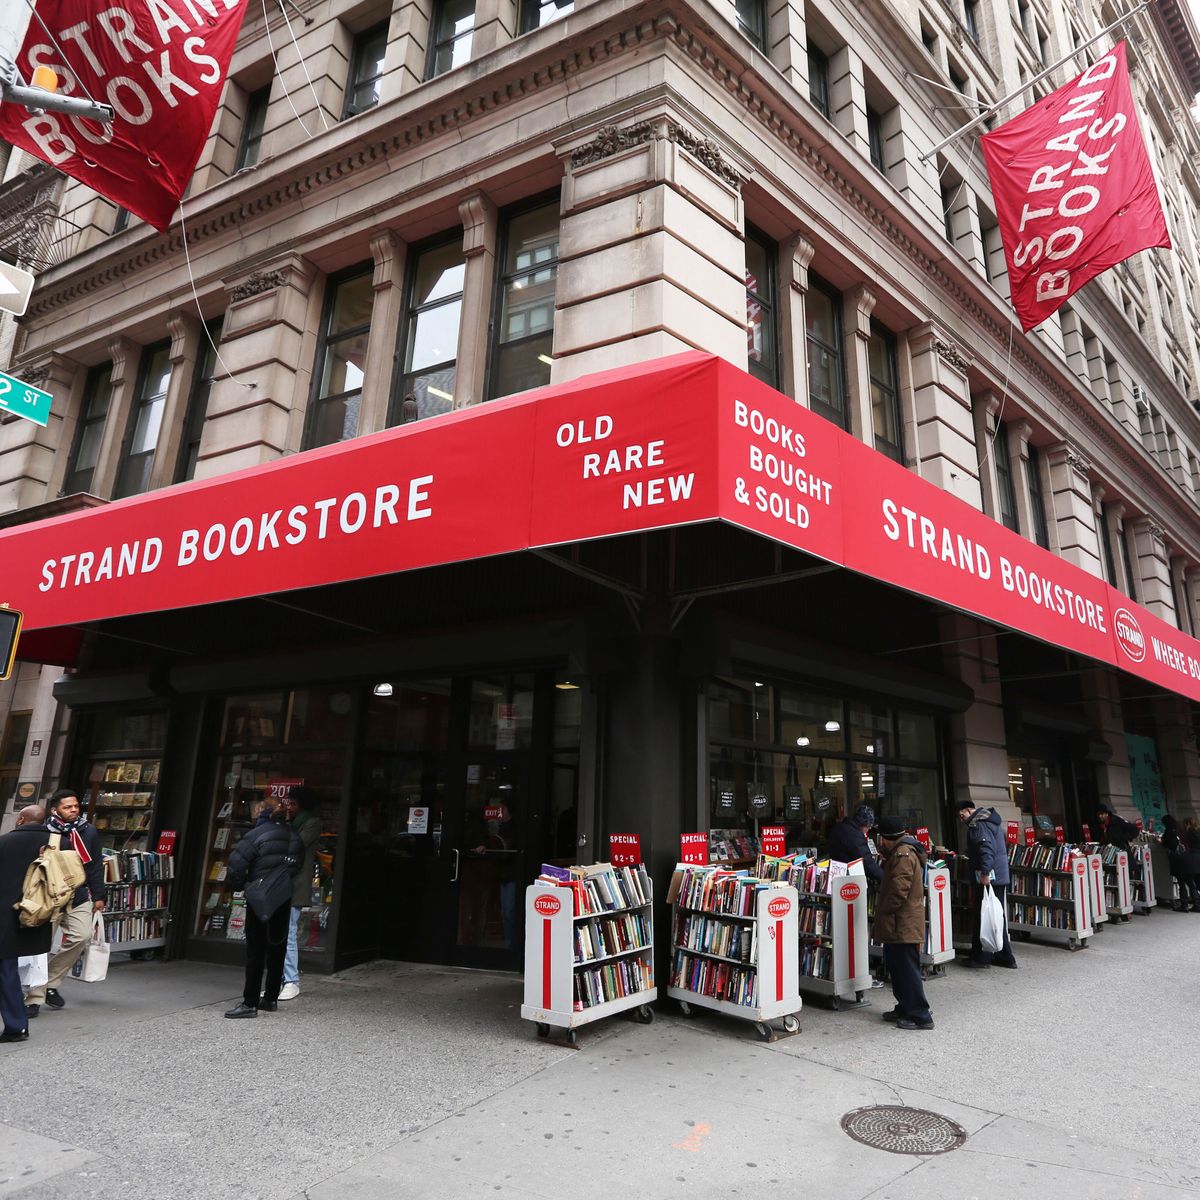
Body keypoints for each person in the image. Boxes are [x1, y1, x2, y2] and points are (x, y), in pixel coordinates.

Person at [24, 790, 105, 1017]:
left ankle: (49, 982)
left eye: (76, 806)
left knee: (81, 936)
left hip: (77, 894)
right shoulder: (43, 831)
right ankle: (35, 998)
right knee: (40, 947)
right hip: (47, 896)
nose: (74, 810)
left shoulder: (87, 831)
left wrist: (99, 895)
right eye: (68, 807)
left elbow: (95, 864)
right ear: (54, 810)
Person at [223, 805, 303, 1019]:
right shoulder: (294, 835)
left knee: (255, 949)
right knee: (278, 946)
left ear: (263, 816)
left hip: (259, 893)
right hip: (282, 894)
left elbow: (237, 863)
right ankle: (271, 997)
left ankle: (250, 1002)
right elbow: (298, 864)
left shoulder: (256, 834)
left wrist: (241, 885)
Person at [873, 816, 933, 1031]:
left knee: (907, 968)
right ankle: (905, 1006)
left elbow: (899, 890)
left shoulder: (903, 855)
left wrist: (885, 911)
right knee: (898, 967)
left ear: (887, 838)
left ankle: (920, 1014)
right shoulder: (900, 853)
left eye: (880, 838)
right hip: (899, 921)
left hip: (902, 921)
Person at [0, 806, 52, 1042]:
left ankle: (16, 1025)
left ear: (21, 819)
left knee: (6, 971)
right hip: (41, 912)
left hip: (5, 914)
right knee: (7, 971)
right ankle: (17, 1024)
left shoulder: (5, 842)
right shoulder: (59, 842)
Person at [956, 800, 1017, 969]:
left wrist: (984, 873)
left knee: (984, 916)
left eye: (962, 815)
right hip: (999, 875)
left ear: (969, 810)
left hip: (989, 877)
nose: (962, 820)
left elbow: (987, 849)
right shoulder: (991, 821)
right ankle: (1005, 957)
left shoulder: (978, 825)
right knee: (996, 916)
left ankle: (980, 958)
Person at [279, 787, 320, 1002]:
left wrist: (285, 824)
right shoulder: (290, 823)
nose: (289, 807)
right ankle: (281, 978)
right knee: (280, 931)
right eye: (288, 804)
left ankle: (291, 980)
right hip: (281, 882)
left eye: (293, 804)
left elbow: (295, 845)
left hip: (295, 883)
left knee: (289, 931)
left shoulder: (311, 823)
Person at [826, 805, 883, 884]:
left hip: (837, 873)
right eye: (869, 826)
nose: (870, 829)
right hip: (848, 878)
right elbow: (867, 863)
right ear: (863, 823)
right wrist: (884, 878)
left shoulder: (840, 827)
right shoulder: (855, 836)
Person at [1161, 815, 1198, 912]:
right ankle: (1197, 904)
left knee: (1181, 883)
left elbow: (1169, 845)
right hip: (1189, 858)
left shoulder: (1169, 831)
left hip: (1178, 860)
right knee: (1191, 882)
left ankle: (1184, 905)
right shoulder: (1184, 830)